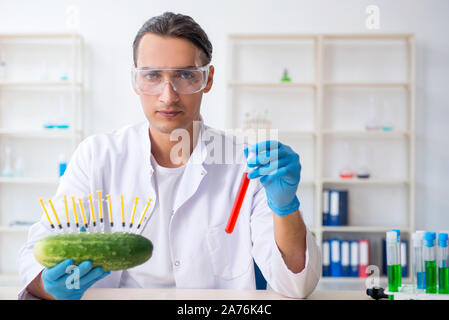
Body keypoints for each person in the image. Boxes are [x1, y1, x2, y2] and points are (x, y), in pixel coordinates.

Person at [17, 12, 321, 300]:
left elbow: (296, 284)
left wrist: (285, 207)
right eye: (152, 76)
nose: (168, 95)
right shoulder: (98, 156)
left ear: (208, 79)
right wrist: (50, 285)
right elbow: (37, 252)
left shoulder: (246, 163)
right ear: (135, 80)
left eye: (185, 75)